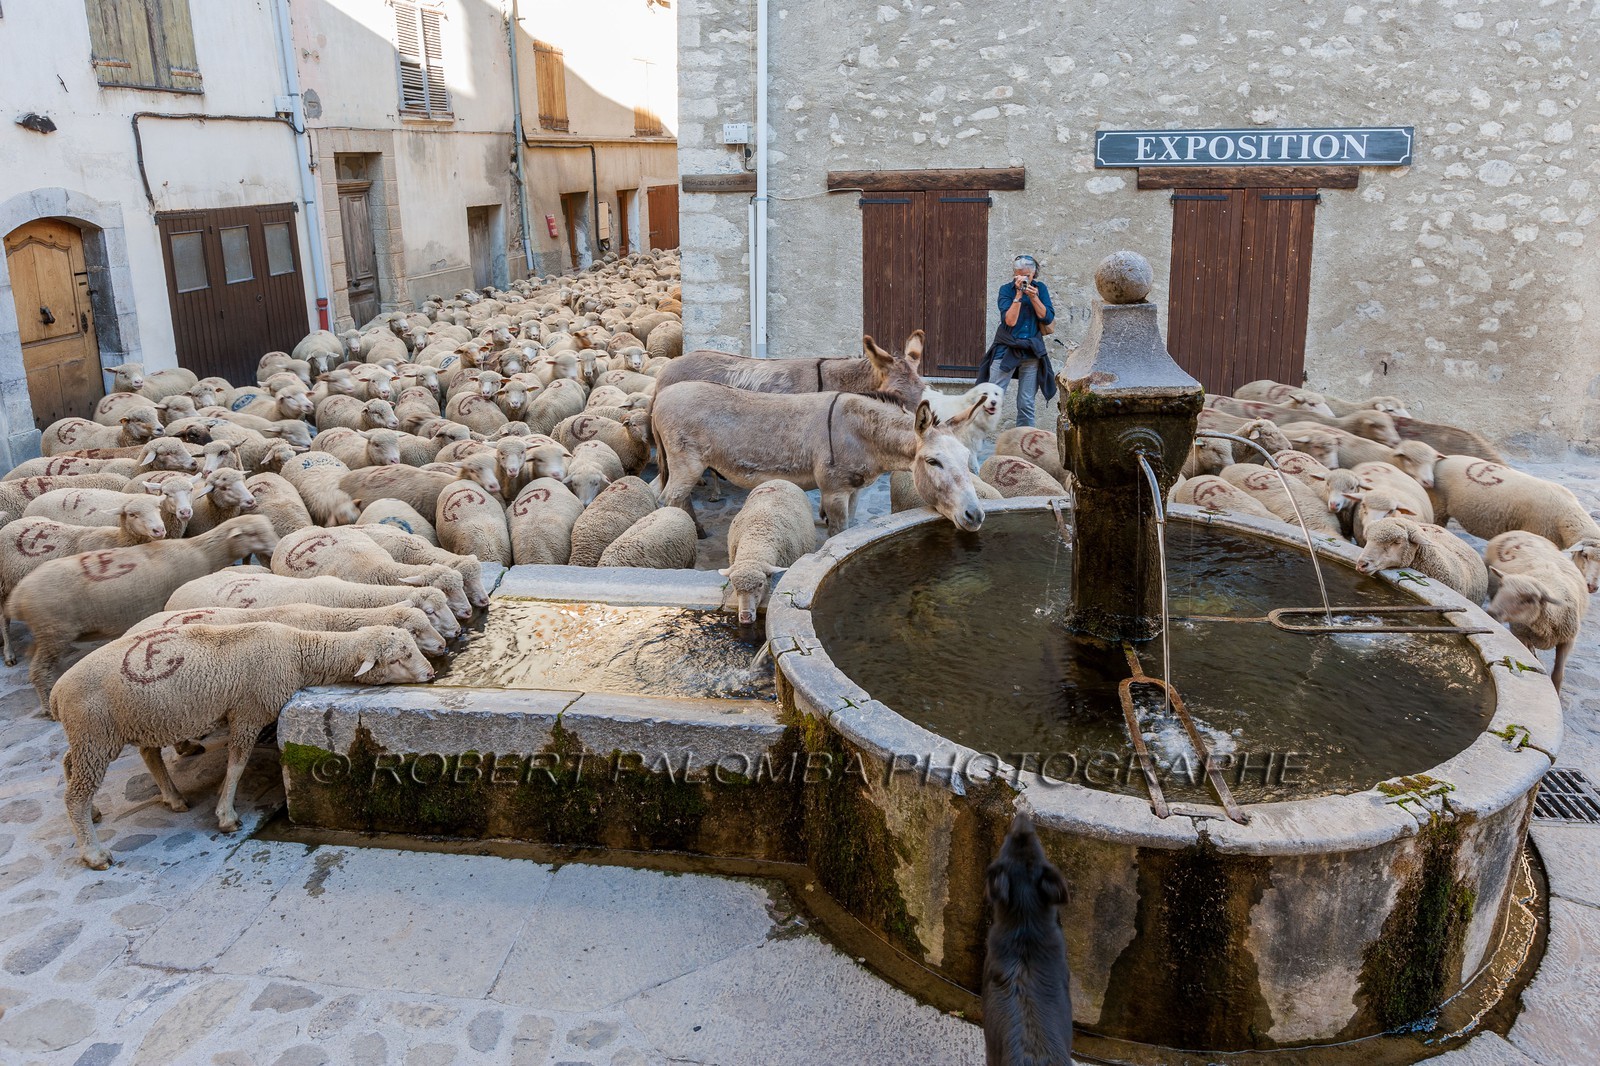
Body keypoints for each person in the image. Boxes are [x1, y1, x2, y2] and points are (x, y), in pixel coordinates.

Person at [976, 254, 1057, 429]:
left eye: (1026, 276)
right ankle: (977, 438)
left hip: (1031, 351)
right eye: (1019, 275)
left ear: (1033, 275)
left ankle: (1024, 443)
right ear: (1014, 273)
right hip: (1006, 349)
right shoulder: (1006, 290)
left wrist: (1034, 297)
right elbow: (1010, 321)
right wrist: (1019, 294)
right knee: (992, 399)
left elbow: (1047, 317)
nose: (1023, 279)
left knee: (1026, 403)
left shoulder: (1040, 289)